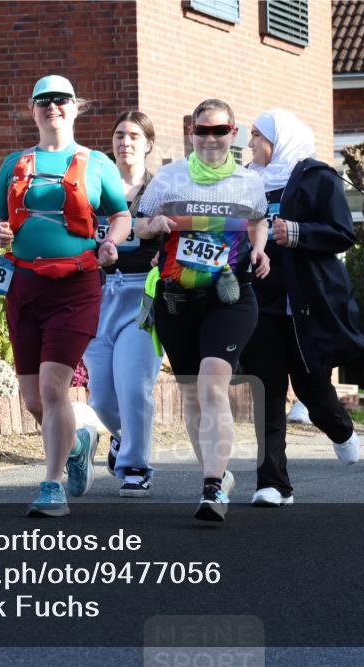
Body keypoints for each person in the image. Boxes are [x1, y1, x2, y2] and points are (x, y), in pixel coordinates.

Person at [0, 75, 130, 517]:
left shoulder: (97, 163)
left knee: (53, 386)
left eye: (61, 100)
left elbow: (120, 214)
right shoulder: (15, 162)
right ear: (33, 110)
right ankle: (75, 444)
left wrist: (112, 243)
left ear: (75, 107)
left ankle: (52, 487)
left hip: (76, 285)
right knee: (33, 398)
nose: (53, 107)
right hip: (24, 285)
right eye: (44, 101)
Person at [136, 98, 269, 521]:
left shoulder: (248, 182)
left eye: (219, 130)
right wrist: (153, 226)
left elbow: (258, 220)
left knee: (213, 382)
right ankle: (217, 474)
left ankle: (212, 487)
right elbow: (138, 223)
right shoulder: (170, 180)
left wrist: (261, 250)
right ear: (191, 133)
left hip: (229, 298)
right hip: (177, 299)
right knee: (192, 395)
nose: (210, 138)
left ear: (233, 134)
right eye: (202, 130)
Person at [242, 109, 364, 507]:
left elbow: (343, 232)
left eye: (256, 137)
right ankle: (273, 484)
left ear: (278, 140)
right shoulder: (247, 181)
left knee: (312, 390)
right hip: (260, 302)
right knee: (266, 393)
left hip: (306, 305)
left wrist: (296, 232)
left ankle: (340, 429)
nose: (250, 145)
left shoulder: (318, 177)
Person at [82, 111, 164, 497]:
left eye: (133, 135)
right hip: (98, 296)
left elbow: (176, 234)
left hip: (141, 297)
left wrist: (159, 249)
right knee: (101, 394)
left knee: (134, 387)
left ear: (148, 143)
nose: (125, 142)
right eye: (119, 135)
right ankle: (120, 439)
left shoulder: (161, 189)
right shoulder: (94, 189)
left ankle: (135, 466)